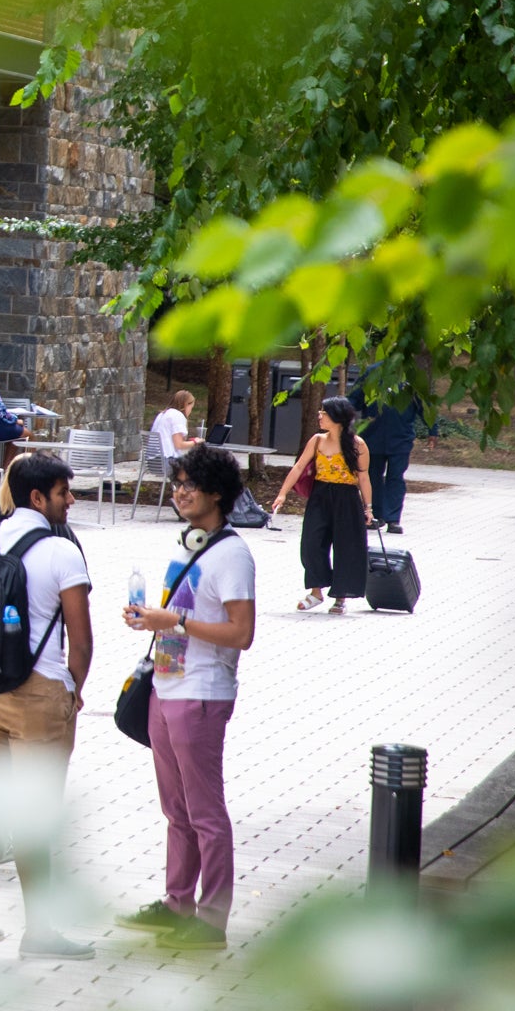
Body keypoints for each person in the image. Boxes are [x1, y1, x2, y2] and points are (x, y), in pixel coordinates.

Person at [0, 454, 95, 960]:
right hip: (39, 694)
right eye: (63, 492)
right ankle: (40, 933)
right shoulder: (60, 551)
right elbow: (81, 638)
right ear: (39, 497)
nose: (71, 500)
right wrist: (73, 691)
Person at [120, 444, 257, 952]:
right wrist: (152, 621)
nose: (179, 493)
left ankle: (211, 919)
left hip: (202, 694)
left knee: (205, 812)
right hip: (165, 684)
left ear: (216, 494)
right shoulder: (188, 546)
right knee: (176, 810)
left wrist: (173, 621)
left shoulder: (232, 555)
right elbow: (178, 615)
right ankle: (177, 905)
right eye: (175, 484)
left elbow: (241, 633)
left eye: (189, 486)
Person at [271, 397, 373, 614]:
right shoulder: (317, 440)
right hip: (320, 495)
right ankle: (316, 591)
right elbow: (299, 467)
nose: (319, 415)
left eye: (324, 412)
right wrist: (282, 494)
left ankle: (340, 597)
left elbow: (363, 478)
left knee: (346, 547)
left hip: (347, 498)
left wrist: (368, 507)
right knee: (311, 542)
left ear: (337, 417)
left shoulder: (358, 444)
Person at [357, 372, 419, 534]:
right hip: (373, 436)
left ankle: (393, 519)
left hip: (400, 438)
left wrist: (433, 429)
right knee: (372, 476)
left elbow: (425, 404)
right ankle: (375, 515)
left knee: (396, 477)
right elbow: (355, 399)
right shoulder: (372, 373)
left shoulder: (411, 377)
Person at [149, 390, 201, 473]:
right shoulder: (177, 416)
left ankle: (180, 486)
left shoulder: (163, 414)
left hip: (152, 462)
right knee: (202, 464)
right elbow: (179, 445)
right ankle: (185, 486)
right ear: (186, 405)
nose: (191, 411)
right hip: (165, 462)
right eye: (191, 408)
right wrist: (196, 442)